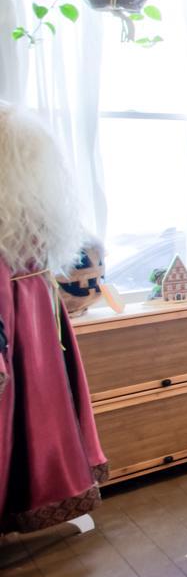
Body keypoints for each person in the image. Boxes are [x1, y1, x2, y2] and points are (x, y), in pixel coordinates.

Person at [0, 101, 107, 534]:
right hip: (34, 317)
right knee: (37, 407)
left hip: (27, 316)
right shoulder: (32, 215)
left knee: (29, 411)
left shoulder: (21, 221)